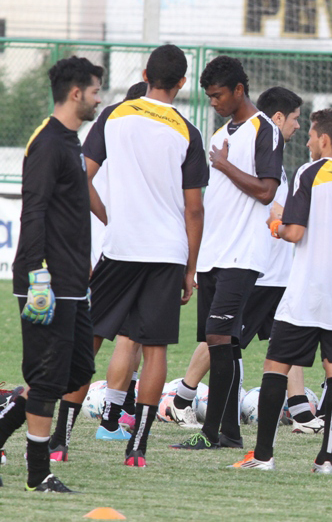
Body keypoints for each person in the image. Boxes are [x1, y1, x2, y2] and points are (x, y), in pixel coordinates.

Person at [229, 107, 332, 473]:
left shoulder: (311, 172)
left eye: (311, 135)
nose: (307, 141)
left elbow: (296, 232)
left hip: (309, 290)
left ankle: (263, 456)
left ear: (325, 139)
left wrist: (276, 225)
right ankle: (326, 460)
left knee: (276, 366)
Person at [167, 86, 322, 434]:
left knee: (284, 344)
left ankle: (299, 411)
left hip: (280, 274)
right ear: (277, 117)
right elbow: (270, 208)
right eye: (295, 119)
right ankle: (184, 399)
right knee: (222, 341)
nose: (298, 127)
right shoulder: (251, 146)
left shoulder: (277, 163)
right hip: (259, 274)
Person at [83, 44, 208, 467]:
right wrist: (191, 267)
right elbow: (194, 208)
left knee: (93, 336)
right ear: (183, 84)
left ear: (144, 73)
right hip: (168, 251)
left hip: (121, 246)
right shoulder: (188, 130)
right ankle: (137, 449)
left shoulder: (114, 114)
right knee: (154, 349)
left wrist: (109, 216)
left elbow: (83, 177)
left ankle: (60, 438)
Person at [0, 56, 103, 492]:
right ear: (76, 93)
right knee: (46, 378)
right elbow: (35, 211)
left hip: (73, 283)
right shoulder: (47, 142)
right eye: (97, 91)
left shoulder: (71, 141)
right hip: (47, 282)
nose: (100, 98)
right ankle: (38, 473)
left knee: (76, 371)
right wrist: (38, 276)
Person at [171, 56, 283, 451]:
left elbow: (267, 191)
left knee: (220, 337)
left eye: (218, 95)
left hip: (243, 254)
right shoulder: (221, 133)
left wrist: (225, 165)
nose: (214, 102)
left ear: (239, 90)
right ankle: (230, 434)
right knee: (224, 343)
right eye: (209, 96)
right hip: (215, 256)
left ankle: (211, 433)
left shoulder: (264, 130)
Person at [47, 81, 149, 463]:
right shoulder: (129, 133)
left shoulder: (111, 132)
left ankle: (70, 432)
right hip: (117, 249)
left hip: (108, 246)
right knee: (119, 338)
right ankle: (100, 420)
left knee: (107, 337)